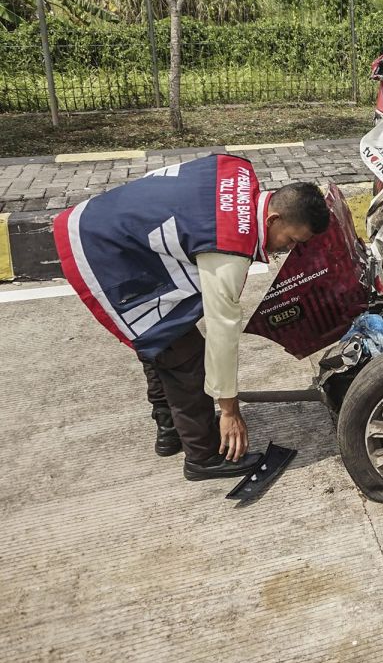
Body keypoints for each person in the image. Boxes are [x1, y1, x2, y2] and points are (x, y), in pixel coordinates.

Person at [53, 154, 329, 481]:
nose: (286, 249)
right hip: (106, 250)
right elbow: (222, 332)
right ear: (273, 219)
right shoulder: (230, 249)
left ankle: (170, 429)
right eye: (291, 240)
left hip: (106, 224)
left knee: (160, 334)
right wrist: (229, 410)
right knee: (184, 354)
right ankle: (204, 457)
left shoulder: (239, 172)